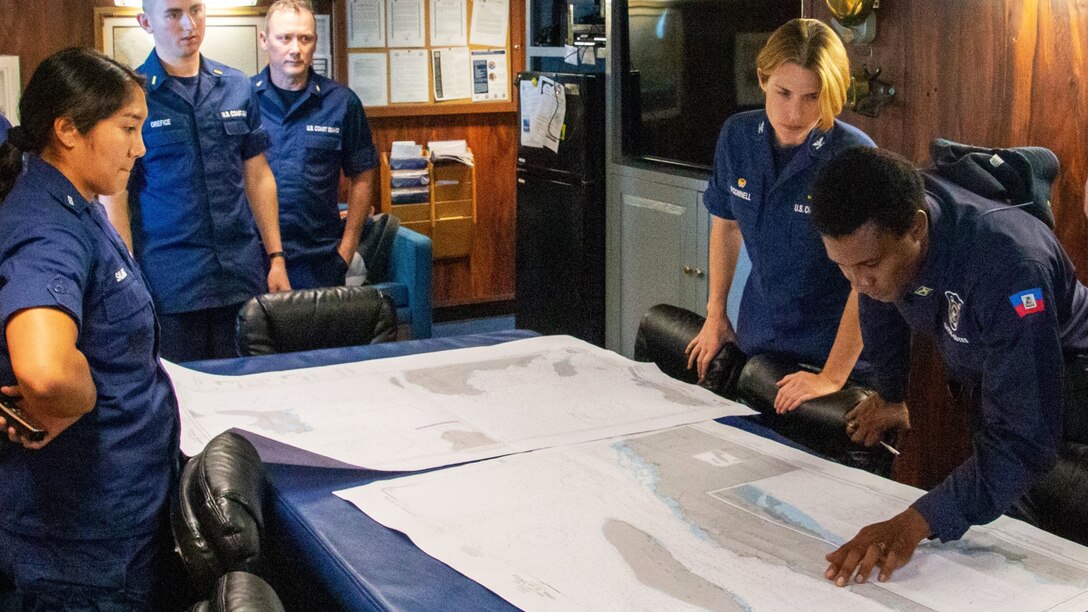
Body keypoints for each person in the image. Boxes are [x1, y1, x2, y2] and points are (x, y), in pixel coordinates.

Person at [811, 146, 1088, 585]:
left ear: (918, 229)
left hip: (1072, 385)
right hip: (999, 379)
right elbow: (879, 301)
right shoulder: (885, 236)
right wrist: (891, 393)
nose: (859, 283)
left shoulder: (1010, 265)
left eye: (869, 265)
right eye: (844, 269)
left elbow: (1025, 437)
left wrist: (915, 522)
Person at [0, 47, 180, 609]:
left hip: (109, 516)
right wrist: (80, 397)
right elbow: (47, 370)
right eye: (128, 128)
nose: (140, 147)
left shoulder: (71, 202)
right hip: (79, 547)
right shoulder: (47, 226)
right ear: (68, 129)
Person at [686, 18, 875, 412]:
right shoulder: (737, 136)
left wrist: (833, 376)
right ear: (762, 78)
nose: (794, 112)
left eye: (812, 97)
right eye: (783, 92)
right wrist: (716, 312)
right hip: (760, 338)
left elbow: (869, 281)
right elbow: (727, 226)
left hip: (833, 349)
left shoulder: (854, 157)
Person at [102, 0, 291, 362]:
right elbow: (116, 194)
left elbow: (258, 176)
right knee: (181, 396)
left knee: (247, 390)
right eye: (173, 15)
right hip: (170, 282)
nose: (189, 24)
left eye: (196, 10)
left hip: (239, 275)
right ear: (146, 22)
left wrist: (277, 257)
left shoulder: (236, 85)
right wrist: (127, 275)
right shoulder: (130, 96)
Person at [253, 0, 379, 289]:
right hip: (255, 260)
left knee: (321, 336)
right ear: (264, 40)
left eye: (305, 38)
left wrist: (346, 251)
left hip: (320, 259)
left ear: (315, 42)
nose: (295, 48)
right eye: (284, 37)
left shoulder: (342, 103)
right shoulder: (243, 100)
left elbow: (363, 175)